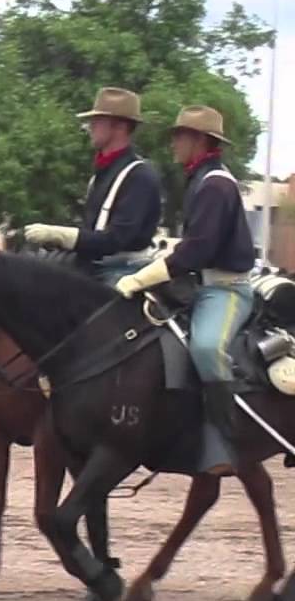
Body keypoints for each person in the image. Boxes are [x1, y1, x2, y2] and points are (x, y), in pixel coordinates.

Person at [114, 105, 255, 475]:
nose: (174, 143)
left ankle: (225, 440)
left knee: (207, 348)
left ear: (200, 140)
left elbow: (198, 251)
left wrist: (141, 278)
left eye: (180, 136)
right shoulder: (199, 180)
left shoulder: (216, 185)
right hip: (196, 289)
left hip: (226, 290)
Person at [25, 87, 162, 283]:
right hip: (94, 267)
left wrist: (61, 235)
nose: (90, 127)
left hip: (122, 271)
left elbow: (116, 239)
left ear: (120, 126)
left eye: (97, 121)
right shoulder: (102, 174)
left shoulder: (140, 176)